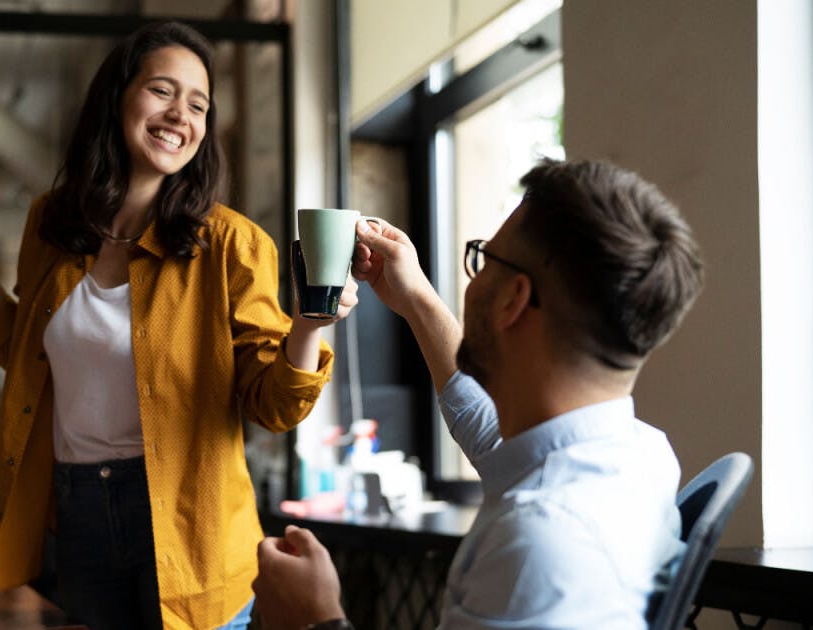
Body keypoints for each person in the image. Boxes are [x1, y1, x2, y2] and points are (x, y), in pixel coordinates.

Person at [0, 21, 356, 630]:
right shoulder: (53, 224)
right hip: (79, 516)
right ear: (117, 98)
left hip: (190, 522)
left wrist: (311, 324)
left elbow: (274, 406)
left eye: (198, 104)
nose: (181, 114)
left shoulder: (231, 244)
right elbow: (25, 354)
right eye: (163, 91)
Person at [253, 159, 705, 629]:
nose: (476, 273)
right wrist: (416, 300)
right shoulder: (639, 455)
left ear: (514, 299)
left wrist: (314, 619)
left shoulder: (538, 544)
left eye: (485, 258)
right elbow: (492, 434)